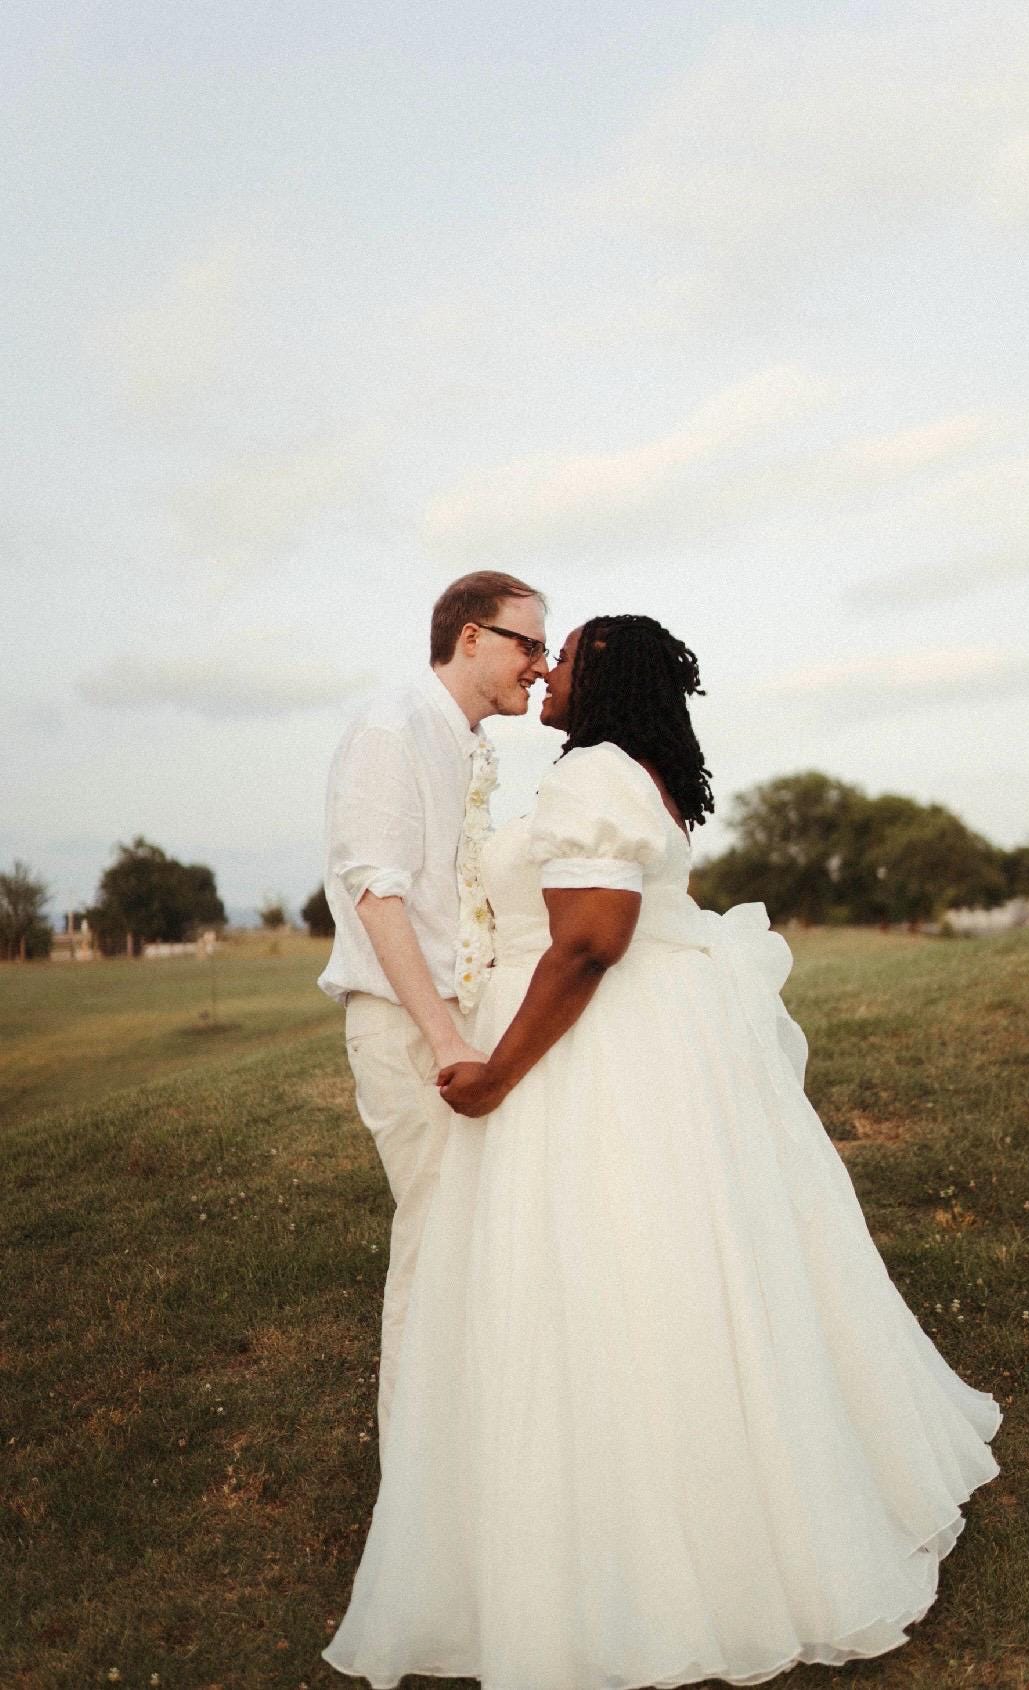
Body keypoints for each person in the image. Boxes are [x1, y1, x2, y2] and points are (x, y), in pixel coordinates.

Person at [324, 614, 1001, 1689]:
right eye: (537, 650)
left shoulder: (594, 771)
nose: (547, 671)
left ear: (604, 680)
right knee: (667, 1276)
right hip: (650, 1050)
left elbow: (592, 939)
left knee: (607, 1281)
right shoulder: (637, 769)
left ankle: (642, 1556)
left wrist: (498, 1072)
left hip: (594, 1064)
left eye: (568, 653)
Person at [317, 571, 548, 1456]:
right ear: (471, 639)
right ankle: (415, 1476)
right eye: (529, 644)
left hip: (459, 1016)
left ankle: (474, 1456)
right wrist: (446, 1034)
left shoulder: (462, 738)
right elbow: (378, 896)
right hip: (411, 1026)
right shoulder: (392, 728)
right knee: (432, 1241)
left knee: (474, 1240)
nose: (541, 663)